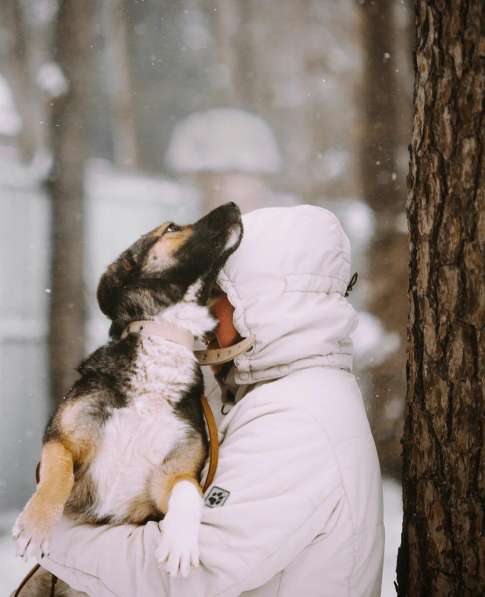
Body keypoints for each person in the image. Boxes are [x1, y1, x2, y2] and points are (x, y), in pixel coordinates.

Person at [40, 205, 384, 596]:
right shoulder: (261, 394)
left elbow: (189, 573)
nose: (201, 318)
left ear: (262, 304)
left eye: (215, 297)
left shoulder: (300, 419)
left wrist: (55, 531)